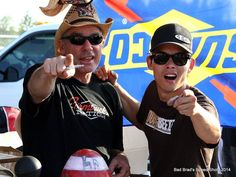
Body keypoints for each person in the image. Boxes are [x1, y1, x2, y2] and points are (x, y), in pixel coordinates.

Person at [16, 1, 130, 177]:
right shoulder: (48, 79)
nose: (87, 47)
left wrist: (121, 158)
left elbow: (114, 149)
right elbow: (37, 90)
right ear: (61, 47)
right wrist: (49, 72)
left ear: (102, 44)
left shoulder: (109, 91)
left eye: (95, 39)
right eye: (77, 39)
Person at [96, 23, 221, 177]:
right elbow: (142, 118)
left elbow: (213, 135)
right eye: (162, 58)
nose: (170, 65)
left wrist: (195, 112)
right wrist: (114, 86)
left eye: (180, 59)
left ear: (191, 65)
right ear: (150, 62)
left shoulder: (198, 103)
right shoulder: (153, 90)